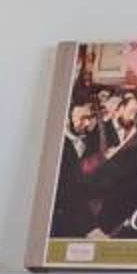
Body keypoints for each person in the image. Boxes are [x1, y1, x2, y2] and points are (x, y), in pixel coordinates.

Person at [52, 97, 105, 234]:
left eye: (89, 118)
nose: (87, 123)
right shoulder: (58, 144)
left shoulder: (89, 139)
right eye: (82, 118)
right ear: (67, 118)